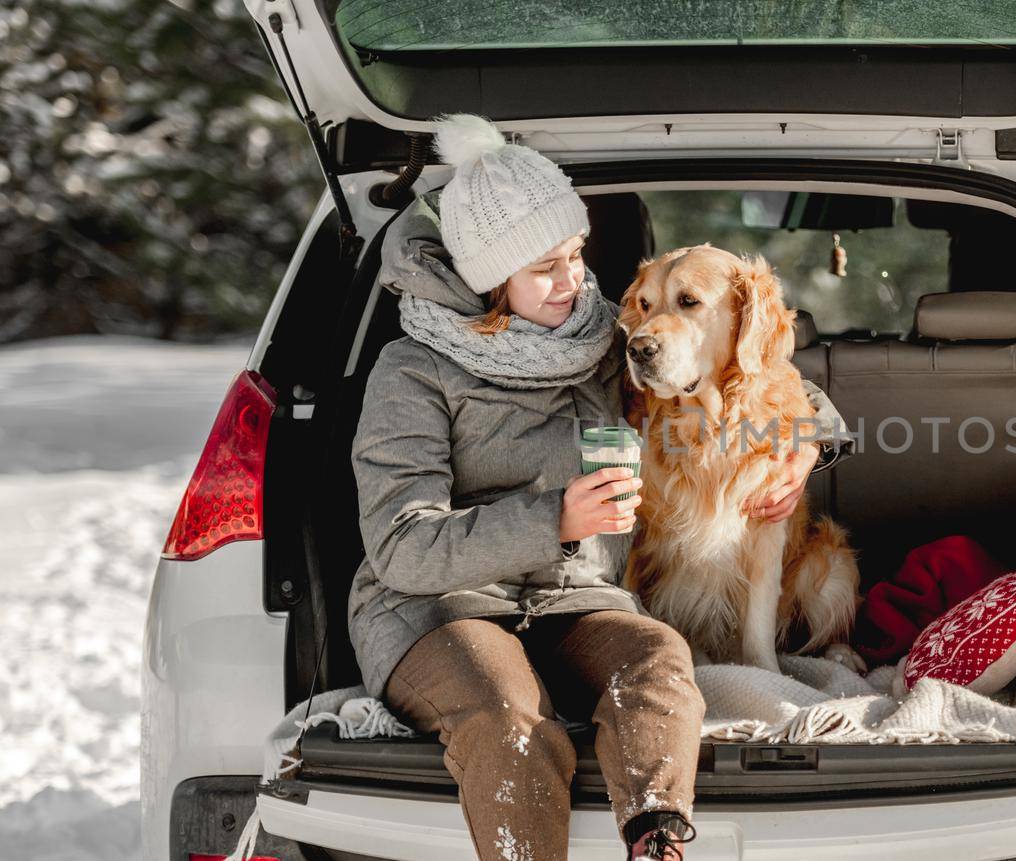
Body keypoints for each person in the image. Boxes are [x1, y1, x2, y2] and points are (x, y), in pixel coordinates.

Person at [346, 114, 851, 861]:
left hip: (574, 600)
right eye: (545, 267)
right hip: (436, 609)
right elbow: (400, 547)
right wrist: (555, 517)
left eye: (576, 255)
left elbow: (758, 376)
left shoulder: (600, 340)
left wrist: (807, 443)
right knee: (508, 716)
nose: (573, 280)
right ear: (490, 279)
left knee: (657, 660)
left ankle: (657, 845)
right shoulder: (411, 370)